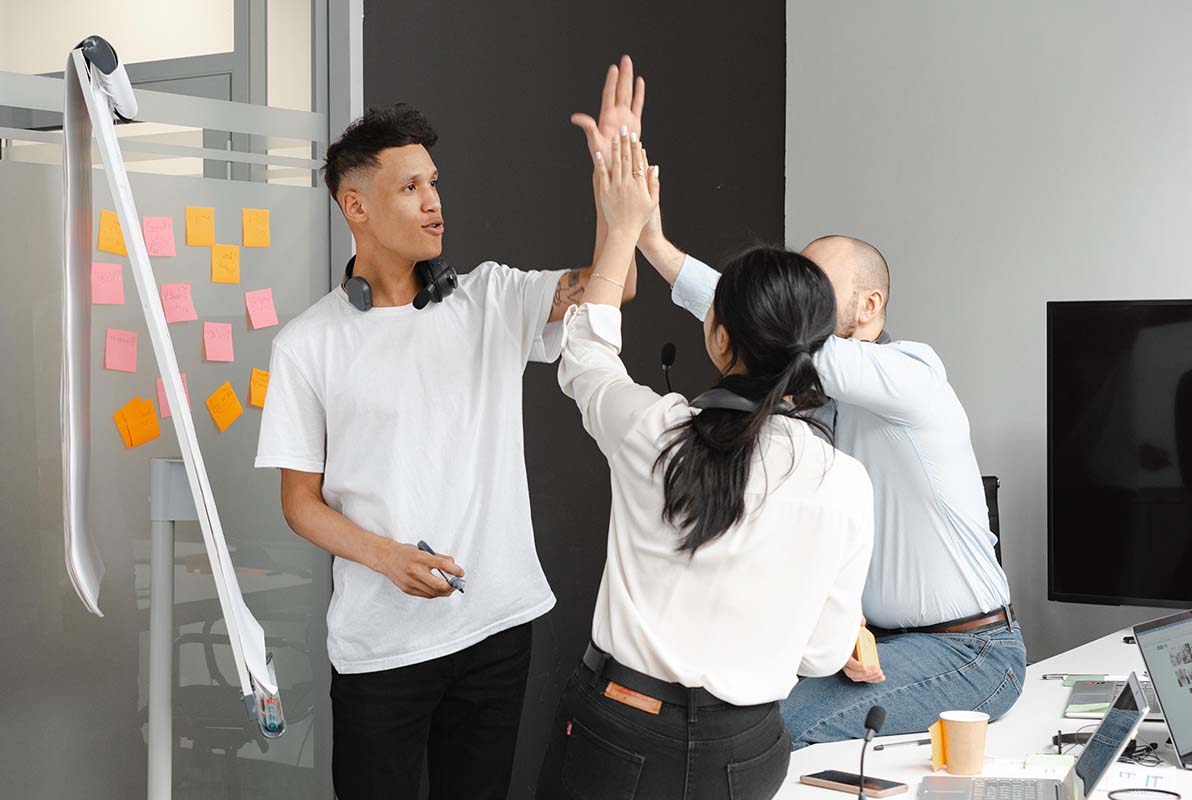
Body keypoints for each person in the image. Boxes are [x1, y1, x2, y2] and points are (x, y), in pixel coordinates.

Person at [254, 95, 640, 799]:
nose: (434, 202)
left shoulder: (491, 299)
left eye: (434, 182)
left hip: (497, 627)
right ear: (356, 207)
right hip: (381, 646)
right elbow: (299, 505)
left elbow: (614, 289)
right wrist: (387, 557)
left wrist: (612, 198)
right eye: (410, 187)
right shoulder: (306, 345)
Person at [536, 129, 875, 799]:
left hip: (620, 736)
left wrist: (621, 227)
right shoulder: (844, 482)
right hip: (746, 754)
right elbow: (823, 653)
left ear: (720, 337)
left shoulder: (657, 433)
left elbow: (585, 359)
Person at [635, 224, 1026, 747]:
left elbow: (762, 326)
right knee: (735, 699)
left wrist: (658, 249)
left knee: (774, 727)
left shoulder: (911, 375)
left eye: (814, 283)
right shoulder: (820, 400)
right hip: (880, 643)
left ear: (869, 305)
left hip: (971, 651)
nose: (797, 297)